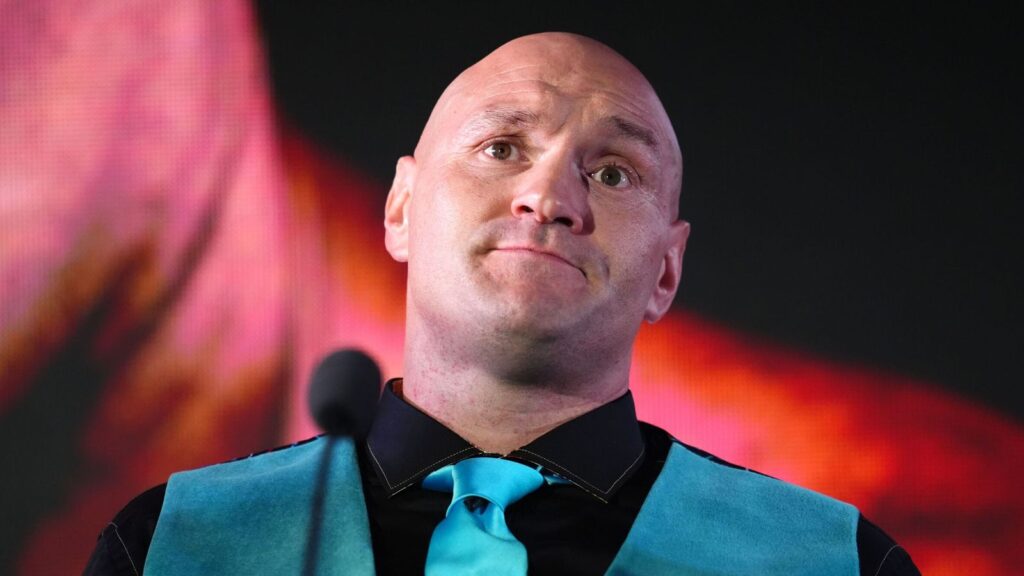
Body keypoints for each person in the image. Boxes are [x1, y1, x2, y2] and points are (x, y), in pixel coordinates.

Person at [83, 32, 919, 575]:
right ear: (401, 210)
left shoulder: (834, 562)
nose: (548, 197)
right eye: (502, 147)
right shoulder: (171, 546)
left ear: (667, 270)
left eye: (613, 172)